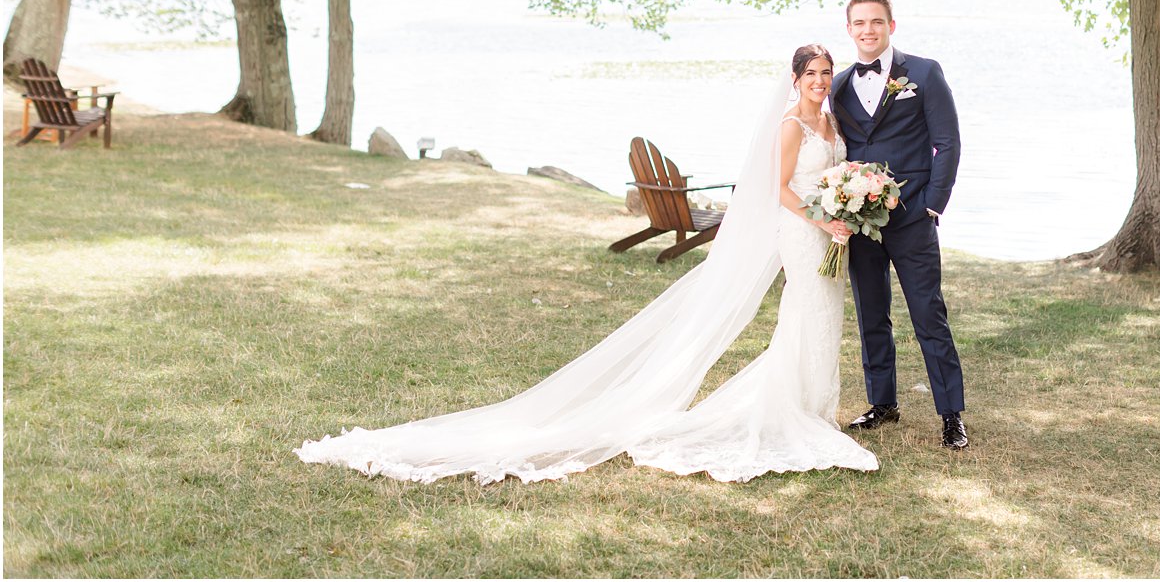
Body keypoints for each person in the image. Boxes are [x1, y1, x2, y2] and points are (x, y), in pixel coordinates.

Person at [296, 45, 877, 484]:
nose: (821, 83)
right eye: (812, 75)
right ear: (795, 79)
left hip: (830, 231)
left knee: (821, 316)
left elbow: (830, 177)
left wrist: (844, 205)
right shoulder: (790, 125)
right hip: (802, 234)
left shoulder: (830, 121)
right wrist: (823, 219)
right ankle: (802, 413)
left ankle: (812, 406)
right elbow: (778, 188)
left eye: (827, 74)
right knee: (806, 314)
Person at [831, 0, 968, 449]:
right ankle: (882, 403)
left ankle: (951, 415)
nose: (868, 30)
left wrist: (933, 204)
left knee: (929, 314)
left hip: (912, 219)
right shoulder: (839, 85)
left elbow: (947, 142)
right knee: (872, 315)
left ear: (892, 25)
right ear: (848, 29)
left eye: (876, 22)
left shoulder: (924, 73)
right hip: (860, 221)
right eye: (859, 23)